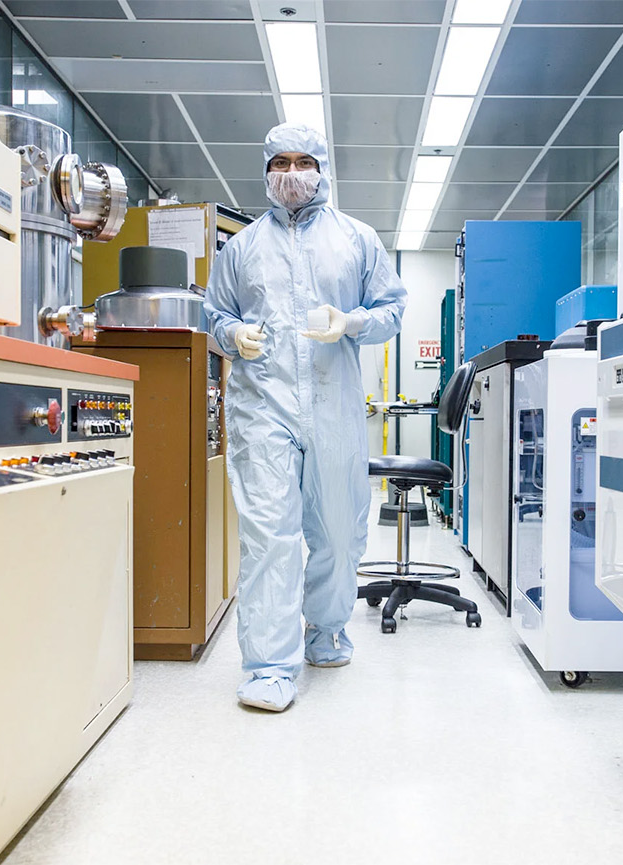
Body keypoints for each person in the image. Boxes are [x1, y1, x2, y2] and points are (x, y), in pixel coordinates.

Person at [204, 122, 406, 712]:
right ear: (266, 170)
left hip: (335, 406)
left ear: (323, 166)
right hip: (262, 406)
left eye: (303, 161)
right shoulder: (239, 248)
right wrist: (232, 332)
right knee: (270, 537)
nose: (291, 173)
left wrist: (352, 323)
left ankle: (326, 628)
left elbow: (392, 309)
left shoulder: (357, 239)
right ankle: (268, 666)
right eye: (280, 162)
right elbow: (214, 314)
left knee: (339, 534)